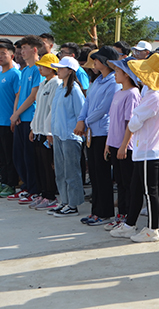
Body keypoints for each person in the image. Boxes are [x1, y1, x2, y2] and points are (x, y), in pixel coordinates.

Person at [110, 53, 159, 243]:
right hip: (143, 149)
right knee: (137, 188)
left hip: (148, 150)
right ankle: (130, 224)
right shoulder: (152, 94)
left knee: (149, 191)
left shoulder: (154, 97)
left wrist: (136, 117)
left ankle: (153, 229)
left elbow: (135, 123)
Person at [76, 46, 120, 225]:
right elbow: (87, 103)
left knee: (102, 174)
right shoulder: (97, 81)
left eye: (96, 60)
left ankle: (105, 212)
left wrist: (85, 122)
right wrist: (81, 119)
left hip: (103, 132)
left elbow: (104, 108)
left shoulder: (113, 82)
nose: (93, 63)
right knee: (94, 173)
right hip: (91, 132)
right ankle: (96, 211)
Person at [103, 58, 142, 231]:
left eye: (117, 71)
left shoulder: (133, 93)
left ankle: (127, 218)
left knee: (127, 183)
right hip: (114, 143)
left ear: (126, 74)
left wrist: (124, 145)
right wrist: (108, 144)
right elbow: (113, 122)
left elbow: (130, 123)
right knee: (119, 182)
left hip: (125, 146)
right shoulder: (118, 92)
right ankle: (120, 216)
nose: (115, 74)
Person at [49, 56, 86, 217]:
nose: (58, 70)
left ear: (70, 71)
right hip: (58, 135)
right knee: (61, 171)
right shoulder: (60, 88)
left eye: (61, 68)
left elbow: (81, 113)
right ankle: (64, 201)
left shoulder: (75, 90)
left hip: (70, 137)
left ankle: (73, 204)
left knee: (71, 171)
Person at [10, 35, 44, 203]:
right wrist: (16, 112)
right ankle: (25, 187)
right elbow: (20, 93)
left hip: (31, 118)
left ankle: (34, 189)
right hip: (20, 118)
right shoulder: (24, 71)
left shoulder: (38, 69)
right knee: (19, 156)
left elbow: (33, 96)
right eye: (21, 49)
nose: (21, 52)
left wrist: (18, 113)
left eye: (25, 48)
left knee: (30, 157)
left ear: (34, 50)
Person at [0, 42, 22, 198]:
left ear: (12, 55)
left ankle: (12, 184)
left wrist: (14, 117)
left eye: (3, 53)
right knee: (1, 155)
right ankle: (4, 182)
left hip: (8, 122)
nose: (0, 57)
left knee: (9, 155)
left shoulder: (15, 74)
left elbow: (18, 96)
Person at [29, 53, 61, 210]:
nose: (40, 68)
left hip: (47, 132)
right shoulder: (42, 84)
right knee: (39, 163)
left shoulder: (56, 83)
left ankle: (50, 195)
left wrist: (49, 131)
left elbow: (52, 110)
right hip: (38, 130)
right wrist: (33, 128)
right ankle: (43, 193)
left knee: (48, 164)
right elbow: (38, 109)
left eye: (44, 66)